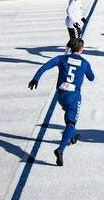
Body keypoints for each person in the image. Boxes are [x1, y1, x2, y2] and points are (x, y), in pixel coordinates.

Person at [28, 38, 94, 167]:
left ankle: (74, 135)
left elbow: (45, 66)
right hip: (73, 95)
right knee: (71, 122)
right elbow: (91, 78)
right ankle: (61, 149)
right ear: (82, 50)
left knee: (69, 116)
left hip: (60, 95)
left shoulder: (62, 58)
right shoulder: (85, 63)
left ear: (70, 48)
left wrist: (36, 79)